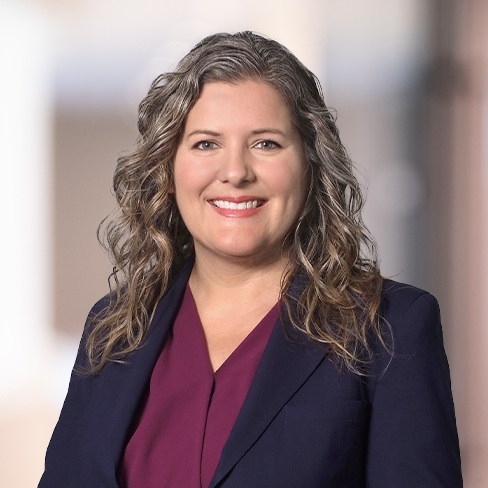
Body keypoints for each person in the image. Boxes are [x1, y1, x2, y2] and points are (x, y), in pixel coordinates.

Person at [39, 32, 462, 488]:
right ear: (168, 167)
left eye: (265, 143)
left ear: (311, 163)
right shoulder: (115, 328)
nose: (236, 171)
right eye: (206, 144)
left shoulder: (391, 327)